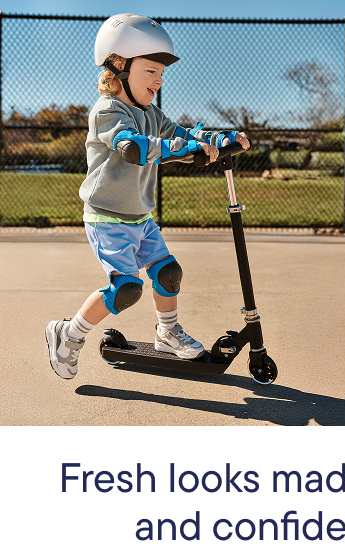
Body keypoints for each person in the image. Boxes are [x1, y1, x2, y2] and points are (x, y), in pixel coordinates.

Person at [45, 13, 249, 379]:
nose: (158, 81)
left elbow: (183, 133)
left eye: (161, 74)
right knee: (125, 289)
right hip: (107, 219)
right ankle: (68, 334)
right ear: (119, 66)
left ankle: (167, 332)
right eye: (150, 71)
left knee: (168, 273)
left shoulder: (152, 114)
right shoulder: (107, 112)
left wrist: (217, 140)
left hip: (140, 216)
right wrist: (174, 148)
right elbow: (133, 147)